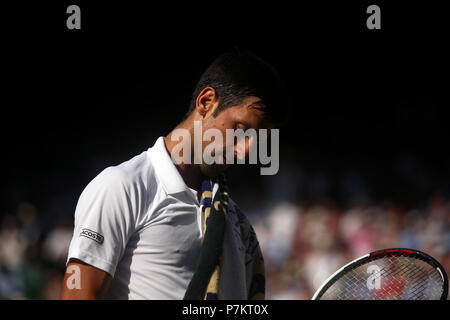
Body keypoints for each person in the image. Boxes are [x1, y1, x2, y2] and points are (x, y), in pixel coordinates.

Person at [60, 50, 288, 300]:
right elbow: (77, 295)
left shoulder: (239, 226)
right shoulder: (122, 186)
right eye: (241, 129)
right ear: (206, 102)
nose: (244, 151)